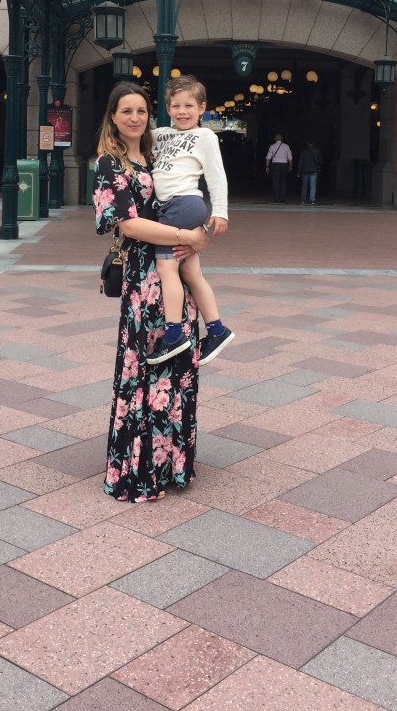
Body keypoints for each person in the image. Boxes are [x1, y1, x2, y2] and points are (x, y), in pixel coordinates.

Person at [93, 81, 209, 503]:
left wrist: (199, 232)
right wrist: (186, 236)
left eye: (141, 110)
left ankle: (172, 463)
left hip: (175, 270)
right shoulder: (110, 163)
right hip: (145, 277)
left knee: (177, 365)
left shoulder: (158, 153)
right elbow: (128, 224)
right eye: (126, 111)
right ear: (113, 116)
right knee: (145, 366)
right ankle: (140, 471)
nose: (135, 118)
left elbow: (190, 193)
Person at [149, 75, 234, 367]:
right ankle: (216, 329)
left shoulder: (205, 136)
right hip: (176, 206)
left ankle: (173, 334)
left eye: (189, 106)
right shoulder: (160, 134)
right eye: (175, 106)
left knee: (166, 268)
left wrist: (220, 211)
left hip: (182, 204)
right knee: (191, 272)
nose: (182, 111)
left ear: (202, 108)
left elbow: (216, 175)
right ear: (167, 108)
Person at [265, 132, 292, 203]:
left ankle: (276, 198)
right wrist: (290, 166)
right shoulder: (286, 146)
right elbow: (290, 157)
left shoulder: (272, 146)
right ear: (282, 139)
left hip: (275, 164)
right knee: (283, 181)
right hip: (284, 165)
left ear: (275, 139)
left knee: (275, 181)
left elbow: (268, 157)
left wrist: (267, 166)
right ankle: (282, 198)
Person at [297, 139, 322, 205]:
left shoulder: (304, 152)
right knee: (313, 186)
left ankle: (303, 200)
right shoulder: (317, 151)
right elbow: (320, 161)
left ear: (307, 143)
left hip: (305, 171)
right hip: (313, 171)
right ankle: (312, 200)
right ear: (314, 143)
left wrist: (299, 172)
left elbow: (301, 162)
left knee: (304, 186)